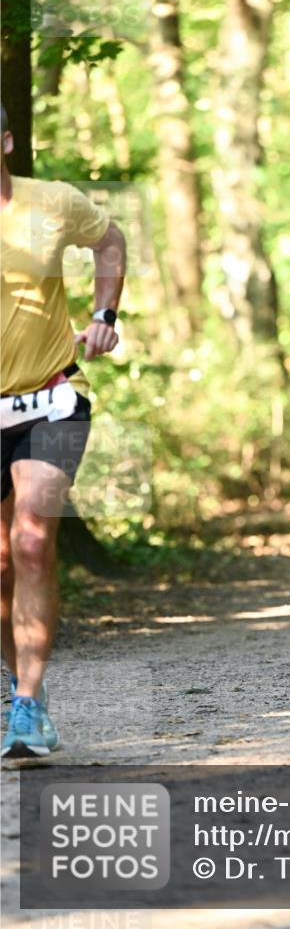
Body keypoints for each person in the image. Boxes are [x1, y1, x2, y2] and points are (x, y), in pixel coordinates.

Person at [1, 103, 126, 758]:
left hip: (50, 399)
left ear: (6, 141)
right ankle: (22, 684)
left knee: (30, 540)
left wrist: (105, 314)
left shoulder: (51, 201)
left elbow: (110, 241)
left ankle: (26, 705)